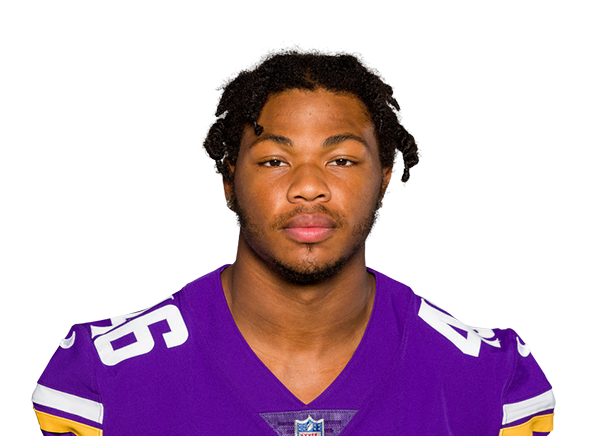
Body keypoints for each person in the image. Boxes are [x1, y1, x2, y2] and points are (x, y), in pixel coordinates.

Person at [31, 40, 554, 435]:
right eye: (274, 160)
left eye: (341, 160)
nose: (308, 186)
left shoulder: (492, 378)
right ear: (230, 178)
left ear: (384, 177)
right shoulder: (101, 377)